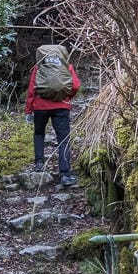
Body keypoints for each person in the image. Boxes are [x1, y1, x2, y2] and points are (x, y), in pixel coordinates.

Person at [25, 48, 81, 186]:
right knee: (63, 140)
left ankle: (39, 163)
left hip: (40, 107)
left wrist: (28, 110)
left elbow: (32, 90)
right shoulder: (67, 66)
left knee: (39, 134)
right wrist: (66, 98)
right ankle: (65, 175)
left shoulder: (39, 67)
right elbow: (75, 86)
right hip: (61, 107)